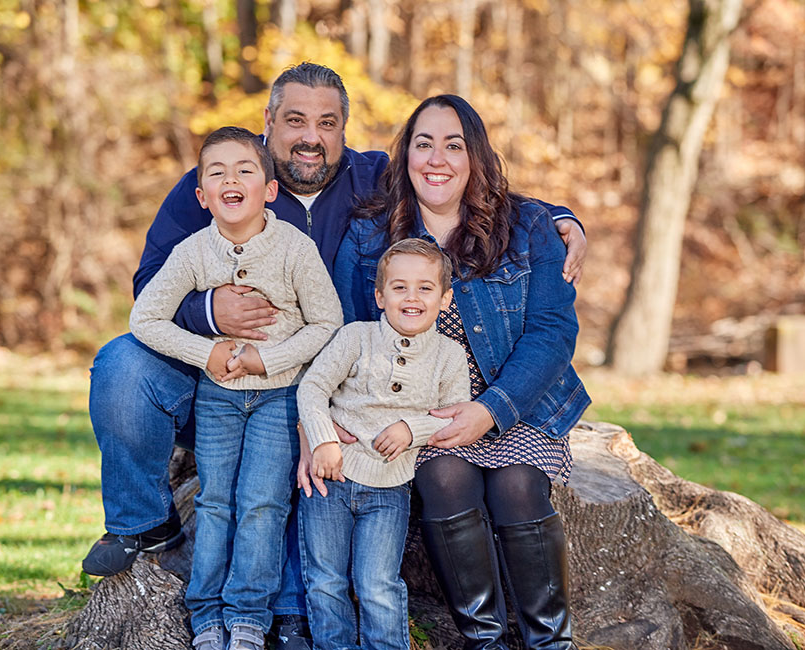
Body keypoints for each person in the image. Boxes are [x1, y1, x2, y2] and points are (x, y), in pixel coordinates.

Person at [84, 61, 587, 648]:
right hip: (214, 372)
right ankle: (144, 528)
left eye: (327, 123)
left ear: (345, 129)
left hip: (365, 383)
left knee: (333, 440)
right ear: (268, 123)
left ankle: (300, 615)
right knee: (121, 366)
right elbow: (150, 289)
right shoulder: (223, 180)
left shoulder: (373, 178)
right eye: (294, 120)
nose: (310, 136)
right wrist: (210, 313)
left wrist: (562, 218)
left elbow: (466, 188)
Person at [332, 94, 591, 650]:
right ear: (404, 157)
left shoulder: (529, 226)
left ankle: (551, 641)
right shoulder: (370, 234)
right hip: (422, 410)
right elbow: (352, 332)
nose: (437, 159)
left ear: (475, 157)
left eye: (454, 145)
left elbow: (552, 331)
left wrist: (491, 409)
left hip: (517, 401)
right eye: (423, 144)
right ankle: (487, 640)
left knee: (518, 487)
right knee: (445, 479)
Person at [129, 126, 342, 650]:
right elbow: (144, 318)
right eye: (217, 172)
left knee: (263, 503)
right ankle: (206, 616)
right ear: (201, 196)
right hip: (218, 398)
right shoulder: (192, 252)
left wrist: (265, 358)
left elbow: (328, 324)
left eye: (245, 170)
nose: (232, 179)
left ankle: (248, 617)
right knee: (217, 501)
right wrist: (211, 352)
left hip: (279, 396)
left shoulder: (295, 248)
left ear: (269, 190)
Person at [296, 238, 470, 650]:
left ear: (445, 299)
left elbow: (454, 413)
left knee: (377, 583)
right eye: (399, 287)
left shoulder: (450, 355)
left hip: (389, 488)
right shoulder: (355, 337)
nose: (412, 297)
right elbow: (314, 387)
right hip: (329, 479)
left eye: (425, 288)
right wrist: (322, 440)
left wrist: (413, 429)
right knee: (325, 580)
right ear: (380, 296)